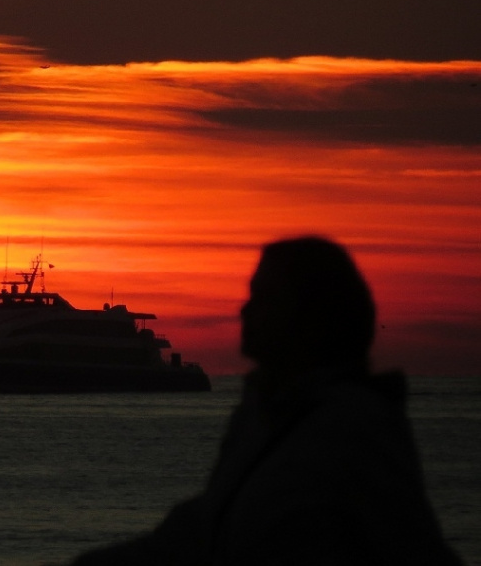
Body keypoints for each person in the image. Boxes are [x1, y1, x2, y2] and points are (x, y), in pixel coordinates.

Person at [68, 236, 462, 566]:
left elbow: (410, 544)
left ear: (310, 318)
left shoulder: (354, 428)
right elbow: (210, 522)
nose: (246, 310)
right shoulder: (261, 415)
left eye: (266, 298)